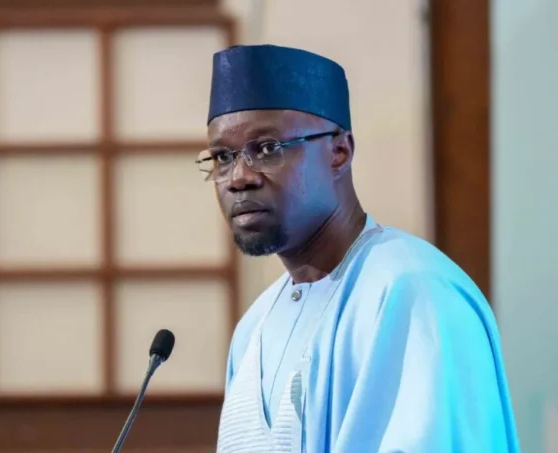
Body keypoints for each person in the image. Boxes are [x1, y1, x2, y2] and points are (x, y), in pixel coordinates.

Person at [197, 44, 520, 452]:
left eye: (267, 148)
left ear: (339, 152)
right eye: (222, 157)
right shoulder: (254, 327)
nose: (238, 177)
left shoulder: (413, 292)